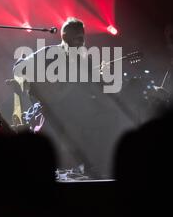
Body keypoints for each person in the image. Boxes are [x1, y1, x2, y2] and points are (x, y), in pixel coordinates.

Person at [13, 17, 106, 177]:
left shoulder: (85, 61)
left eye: (83, 37)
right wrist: (40, 85)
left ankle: (87, 164)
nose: (82, 42)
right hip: (49, 108)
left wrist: (101, 76)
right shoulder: (48, 53)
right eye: (78, 37)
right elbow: (18, 67)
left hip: (72, 108)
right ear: (64, 37)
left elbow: (96, 86)